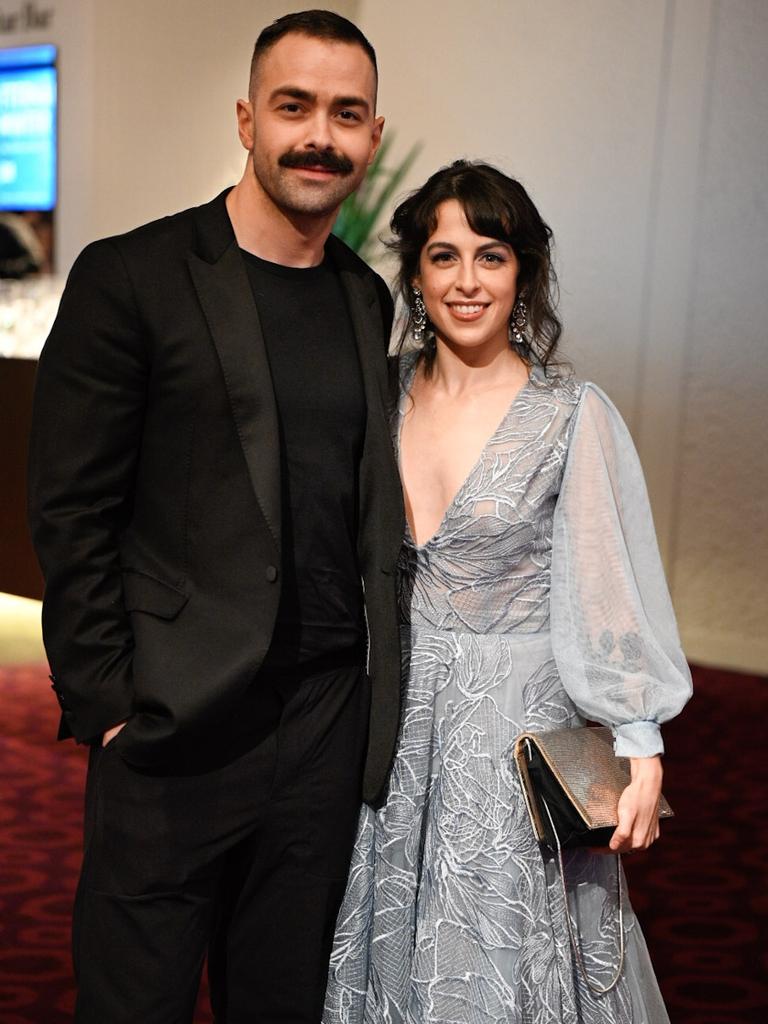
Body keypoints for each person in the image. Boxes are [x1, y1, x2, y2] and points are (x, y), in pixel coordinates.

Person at [27, 10, 403, 1023]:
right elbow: (71, 507)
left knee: (277, 1003)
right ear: (247, 118)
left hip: (323, 726)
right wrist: (109, 702)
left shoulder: (369, 300)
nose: (319, 133)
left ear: (373, 134)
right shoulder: (132, 276)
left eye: (345, 112)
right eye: (294, 106)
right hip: (174, 724)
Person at [323, 161, 693, 1023]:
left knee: (495, 961)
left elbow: (609, 586)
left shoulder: (572, 413)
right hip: (393, 727)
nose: (466, 281)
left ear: (523, 271)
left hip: (517, 736)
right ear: (414, 273)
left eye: (490, 256)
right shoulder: (376, 397)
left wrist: (640, 740)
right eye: (443, 256)